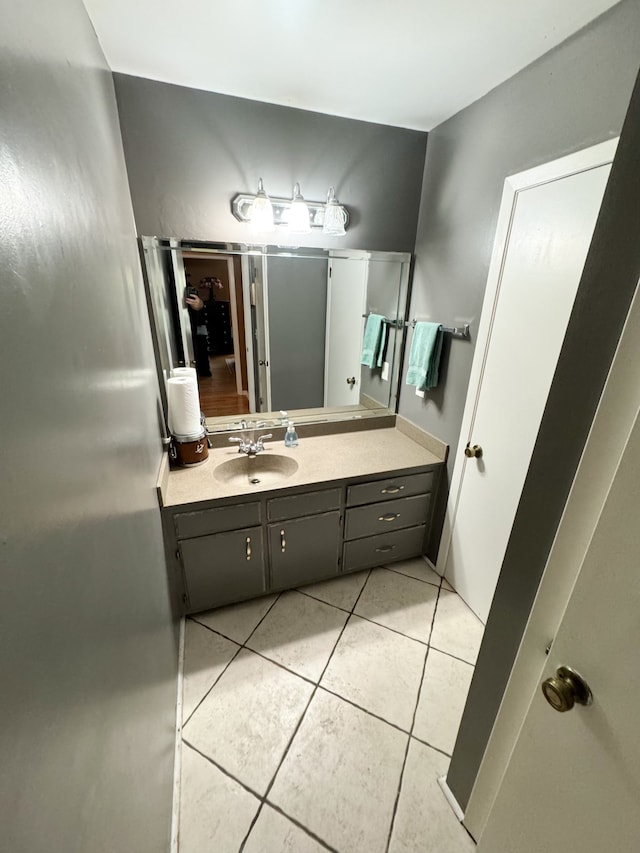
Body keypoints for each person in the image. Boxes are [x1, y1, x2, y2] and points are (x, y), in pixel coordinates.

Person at [184, 277, 223, 377]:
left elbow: (200, 305)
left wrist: (199, 305)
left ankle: (204, 370)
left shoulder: (196, 298)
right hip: (190, 327)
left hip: (198, 326)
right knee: (200, 347)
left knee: (202, 346)